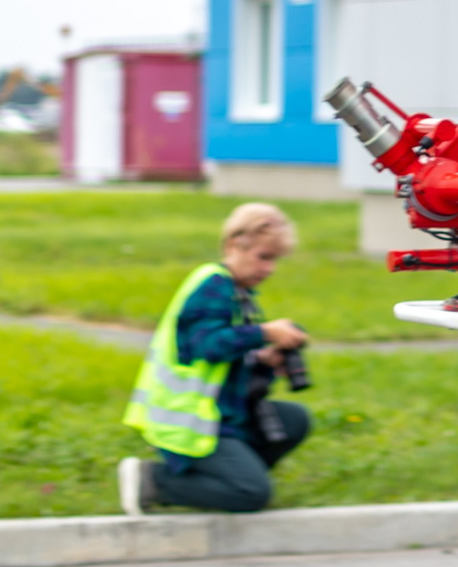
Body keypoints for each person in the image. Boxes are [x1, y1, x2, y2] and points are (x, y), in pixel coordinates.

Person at [117, 202, 313, 516]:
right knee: (251, 494)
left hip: (220, 413)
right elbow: (208, 345)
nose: (269, 269)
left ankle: (228, 479)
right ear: (234, 244)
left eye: (275, 260)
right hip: (190, 422)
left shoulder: (235, 291)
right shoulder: (213, 285)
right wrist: (264, 332)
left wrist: (263, 359)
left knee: (294, 420)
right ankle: (153, 481)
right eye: (263, 257)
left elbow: (220, 355)